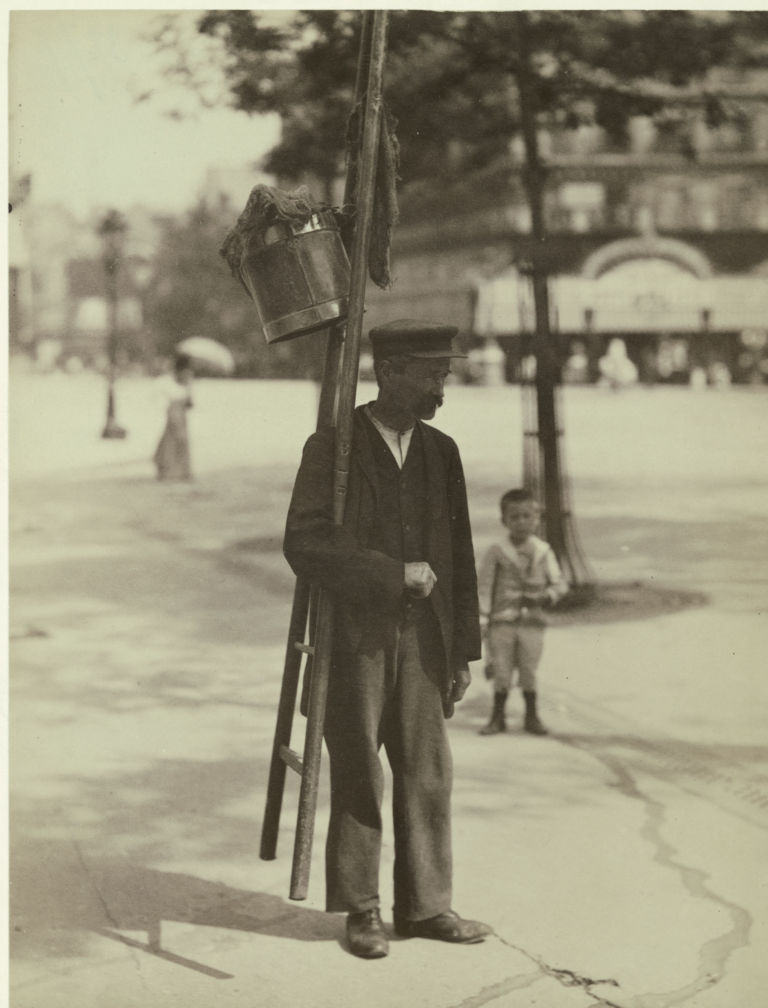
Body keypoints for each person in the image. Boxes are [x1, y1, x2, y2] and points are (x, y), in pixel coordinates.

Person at [283, 319, 491, 960]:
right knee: (356, 771)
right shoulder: (334, 447)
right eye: (433, 373)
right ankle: (362, 910)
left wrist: (461, 651)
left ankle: (426, 906)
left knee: (428, 772)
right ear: (391, 371)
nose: (442, 386)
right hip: (355, 638)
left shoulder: (442, 450)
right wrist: (389, 574)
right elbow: (306, 540)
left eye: (445, 374)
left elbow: (459, 555)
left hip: (427, 641)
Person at [477, 488, 568, 737]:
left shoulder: (543, 551)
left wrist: (547, 596)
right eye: (514, 517)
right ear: (504, 520)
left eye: (527, 516)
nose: (521, 522)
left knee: (529, 669)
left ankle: (531, 716)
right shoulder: (497, 551)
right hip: (502, 621)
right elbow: (484, 587)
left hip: (532, 622)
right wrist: (483, 617)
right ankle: (497, 717)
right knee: (501, 670)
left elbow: (560, 584)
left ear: (537, 518)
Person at [153, 353, 194, 481]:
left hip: (178, 412)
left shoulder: (183, 381)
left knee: (174, 441)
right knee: (176, 440)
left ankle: (175, 470)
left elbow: (189, 403)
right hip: (175, 412)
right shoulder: (172, 381)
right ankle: (173, 470)